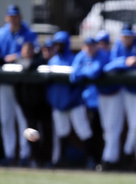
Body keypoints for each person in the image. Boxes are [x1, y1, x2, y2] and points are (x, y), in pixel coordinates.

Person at [104, 23, 136, 171]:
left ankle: (126, 154)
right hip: (129, 91)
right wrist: (125, 62)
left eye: (129, 35)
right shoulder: (119, 45)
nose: (126, 38)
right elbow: (109, 66)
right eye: (124, 35)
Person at [47, 31, 96, 168]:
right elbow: (49, 86)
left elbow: (80, 83)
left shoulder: (75, 59)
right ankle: (60, 161)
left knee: (84, 131)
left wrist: (73, 99)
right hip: (58, 104)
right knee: (61, 132)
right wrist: (54, 101)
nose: (59, 46)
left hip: (74, 103)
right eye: (57, 44)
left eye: (61, 44)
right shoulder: (53, 61)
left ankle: (92, 160)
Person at [0, 4, 38, 166]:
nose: (13, 19)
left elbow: (34, 52)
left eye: (16, 16)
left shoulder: (28, 33)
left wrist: (14, 57)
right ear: (7, 17)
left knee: (24, 120)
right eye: (11, 16)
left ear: (20, 17)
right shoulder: (2, 33)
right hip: (5, 82)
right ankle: (9, 154)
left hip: (23, 83)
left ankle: (25, 155)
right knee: (6, 119)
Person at [70, 37, 113, 170]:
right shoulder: (81, 56)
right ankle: (93, 160)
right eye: (87, 46)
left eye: (92, 45)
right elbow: (73, 76)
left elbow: (95, 73)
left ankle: (102, 161)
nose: (89, 48)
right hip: (87, 101)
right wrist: (86, 69)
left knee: (104, 132)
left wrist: (84, 69)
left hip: (103, 100)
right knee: (89, 132)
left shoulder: (102, 55)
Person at [13, 41, 53, 168]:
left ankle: (47, 160)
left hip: (42, 104)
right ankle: (36, 160)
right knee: (31, 132)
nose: (28, 54)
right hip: (27, 105)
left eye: (30, 51)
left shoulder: (40, 61)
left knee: (47, 131)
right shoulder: (18, 63)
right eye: (25, 51)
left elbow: (32, 63)